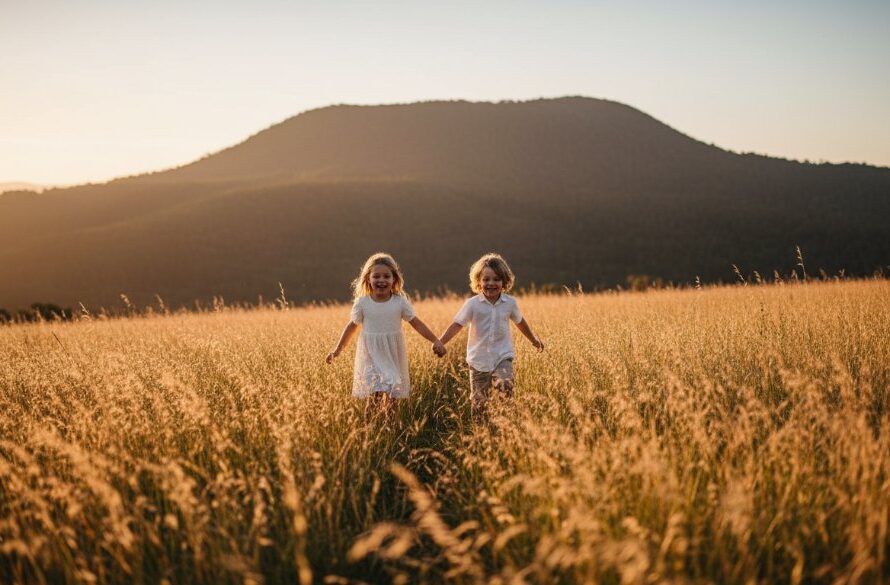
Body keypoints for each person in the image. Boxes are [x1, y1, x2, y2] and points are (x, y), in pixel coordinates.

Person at [326, 253, 445, 413]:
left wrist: (435, 340)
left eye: (386, 276)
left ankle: (391, 433)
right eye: (376, 276)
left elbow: (416, 323)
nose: (381, 280)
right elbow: (352, 327)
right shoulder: (363, 303)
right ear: (368, 279)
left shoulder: (399, 302)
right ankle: (370, 433)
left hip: (392, 355)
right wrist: (337, 350)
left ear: (394, 279)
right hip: (370, 356)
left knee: (392, 398)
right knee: (373, 398)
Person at [439, 253, 544, 417]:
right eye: (486, 279)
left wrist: (534, 340)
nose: (491, 283)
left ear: (504, 282)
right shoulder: (472, 304)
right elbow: (457, 324)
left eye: (496, 279)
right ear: (479, 282)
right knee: (479, 402)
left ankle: (504, 426)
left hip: (503, 356)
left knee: (506, 387)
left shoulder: (510, 303)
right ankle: (481, 434)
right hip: (478, 361)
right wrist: (441, 341)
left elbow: (520, 322)